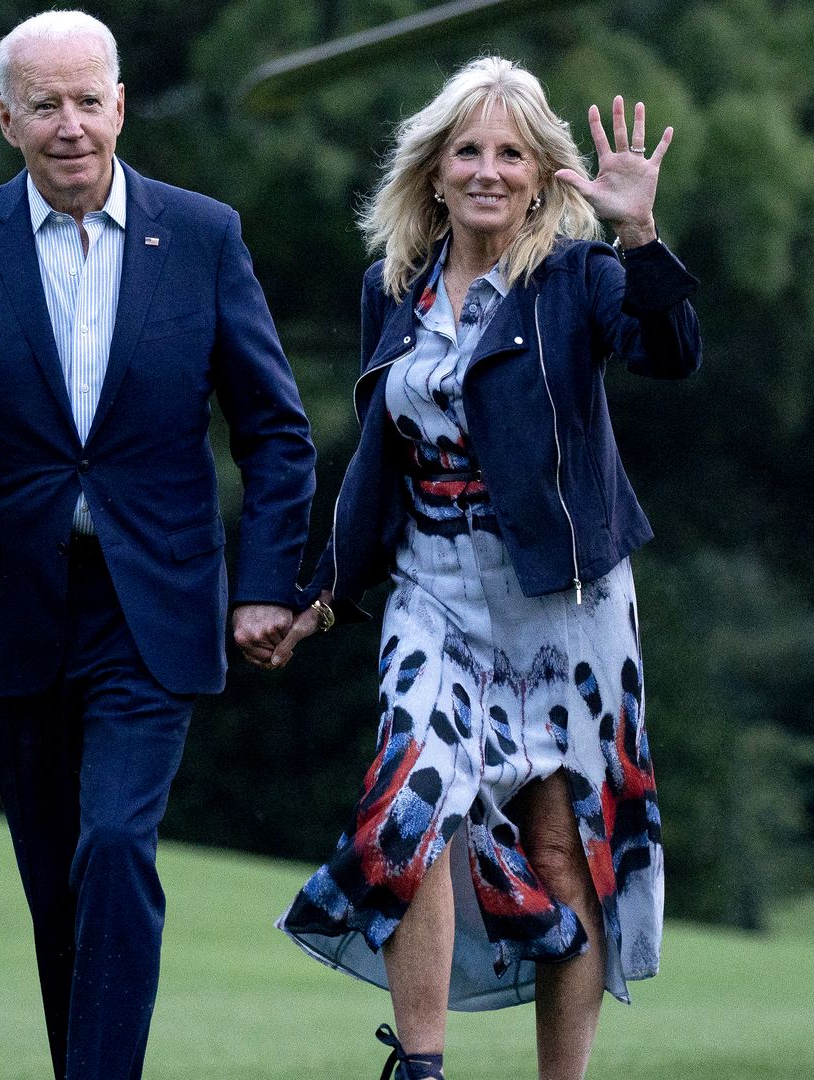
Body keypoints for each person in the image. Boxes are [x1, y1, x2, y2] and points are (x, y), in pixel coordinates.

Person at [0, 12, 314, 1079]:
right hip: (14, 604)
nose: (69, 125)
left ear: (120, 105)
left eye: (87, 101)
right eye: (43, 105)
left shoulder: (202, 236)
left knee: (114, 844)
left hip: (151, 604)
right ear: (5, 120)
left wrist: (264, 584)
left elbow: (277, 433)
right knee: (55, 885)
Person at [267, 56, 699, 1080]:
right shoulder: (395, 295)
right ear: (435, 169)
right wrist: (327, 588)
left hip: (567, 609)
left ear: (545, 174)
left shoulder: (579, 282)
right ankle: (421, 1068)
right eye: (469, 150)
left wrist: (640, 233)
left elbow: (670, 354)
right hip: (435, 598)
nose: (489, 170)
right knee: (414, 807)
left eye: (512, 152)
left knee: (562, 855)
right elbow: (378, 458)